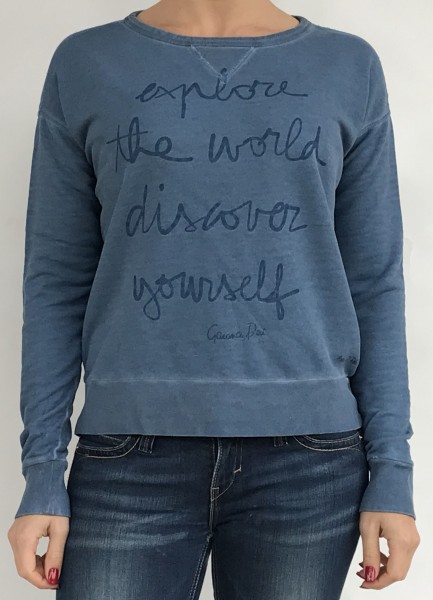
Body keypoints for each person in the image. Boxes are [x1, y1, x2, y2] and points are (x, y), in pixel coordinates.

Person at [7, 1, 420, 598]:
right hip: (128, 458)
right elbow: (56, 278)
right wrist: (42, 468)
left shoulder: (347, 65)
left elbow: (374, 281)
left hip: (309, 463)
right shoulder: (87, 62)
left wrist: (393, 471)